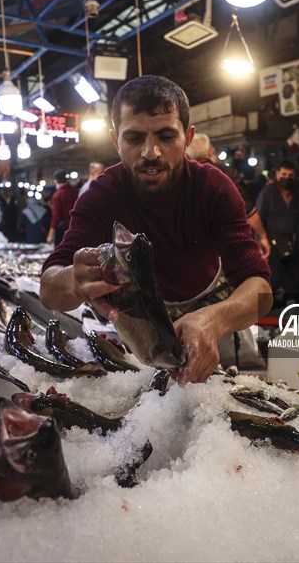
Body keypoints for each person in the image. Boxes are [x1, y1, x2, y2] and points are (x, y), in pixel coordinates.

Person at [39, 75, 272, 385]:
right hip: (139, 334)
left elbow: (261, 290)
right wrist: (73, 280)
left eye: (166, 136)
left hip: (216, 323)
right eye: (135, 138)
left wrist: (213, 320)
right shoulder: (100, 197)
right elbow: (48, 289)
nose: (151, 153)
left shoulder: (213, 188)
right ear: (115, 140)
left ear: (188, 138)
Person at [187, 132, 270, 258]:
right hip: (227, 246)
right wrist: (263, 236)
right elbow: (247, 210)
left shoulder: (182, 178)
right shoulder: (225, 173)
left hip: (194, 250)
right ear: (210, 151)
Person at [256, 160, 299, 306]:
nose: (287, 178)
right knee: (273, 279)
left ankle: (291, 308)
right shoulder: (268, 192)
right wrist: (259, 242)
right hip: (273, 244)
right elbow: (259, 218)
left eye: (290, 175)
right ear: (277, 174)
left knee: (293, 280)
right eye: (283, 174)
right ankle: (270, 311)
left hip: (295, 243)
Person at [46, 170, 79, 245]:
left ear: (55, 181)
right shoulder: (76, 192)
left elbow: (56, 217)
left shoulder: (57, 195)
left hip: (63, 230)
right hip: (77, 227)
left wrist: (50, 234)